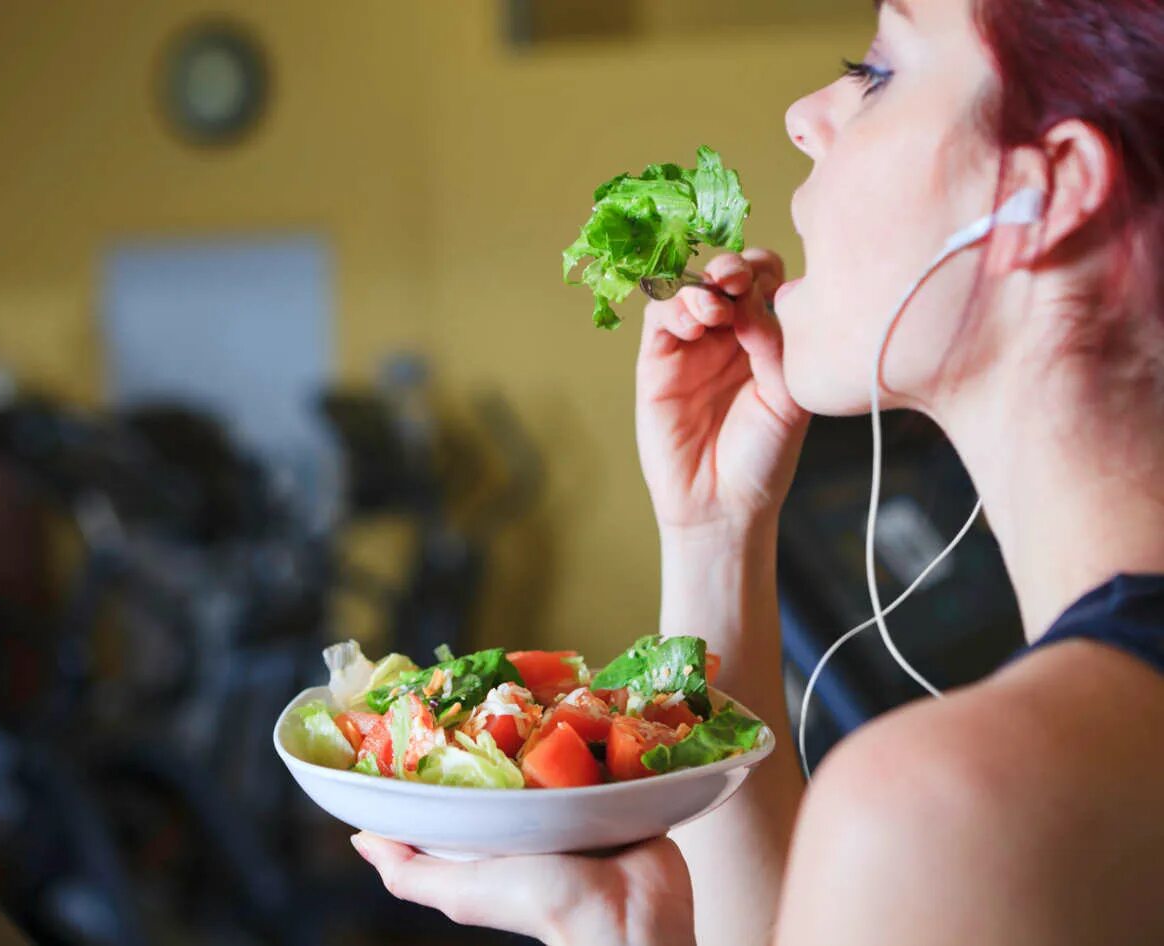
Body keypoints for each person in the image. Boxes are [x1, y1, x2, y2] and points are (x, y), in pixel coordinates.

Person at [348, 0, 1164, 942]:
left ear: (1052, 191)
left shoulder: (949, 812)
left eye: (878, 73)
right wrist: (717, 531)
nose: (804, 115)